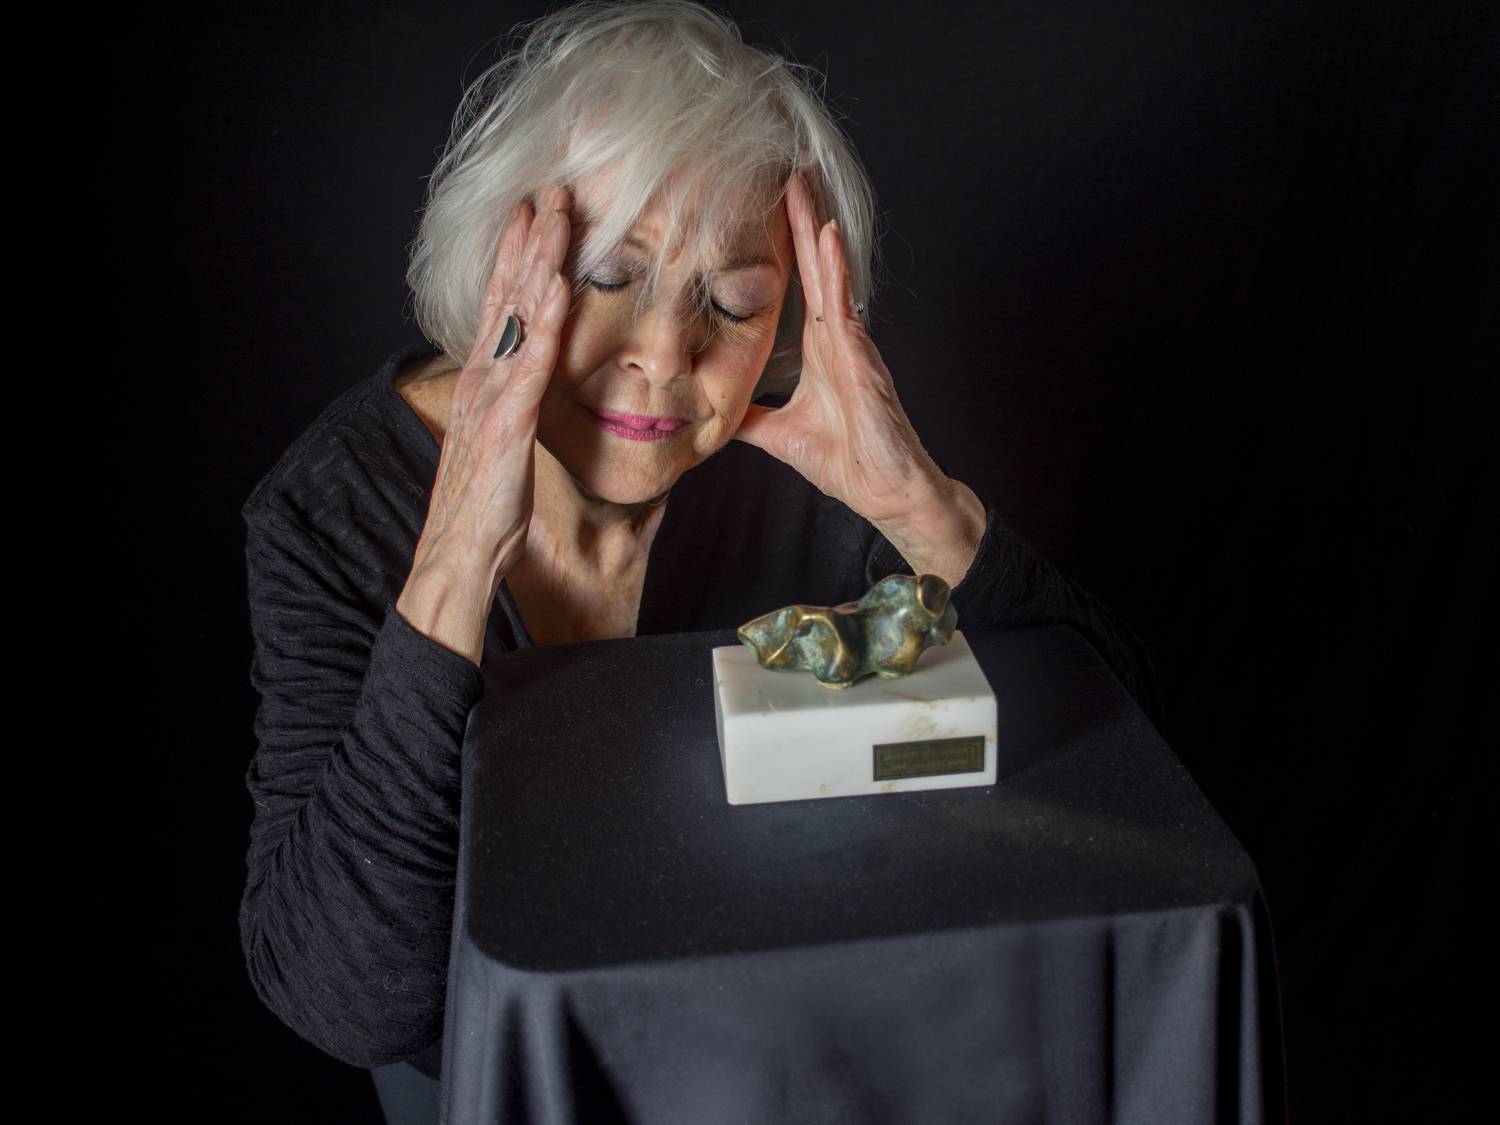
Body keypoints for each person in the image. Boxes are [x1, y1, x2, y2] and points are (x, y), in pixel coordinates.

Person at [238, 2, 1164, 1121]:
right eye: (609, 275)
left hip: (793, 1065)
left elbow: (1124, 789)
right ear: (499, 263)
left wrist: (919, 506)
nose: (665, 353)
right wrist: (457, 554)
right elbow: (344, 1000)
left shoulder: (794, 475)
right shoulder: (331, 506)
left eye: (730, 303)